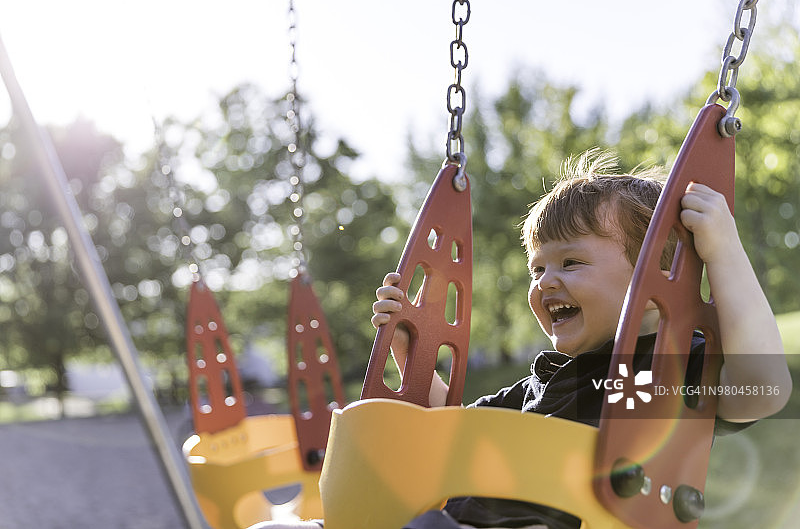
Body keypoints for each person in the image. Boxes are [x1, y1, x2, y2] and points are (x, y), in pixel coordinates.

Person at [251, 149, 792, 528]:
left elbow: (764, 390)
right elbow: (449, 426)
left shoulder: (668, 372)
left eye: (572, 261)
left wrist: (723, 251)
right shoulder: (543, 383)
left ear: (655, 278)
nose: (545, 282)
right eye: (538, 269)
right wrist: (407, 347)